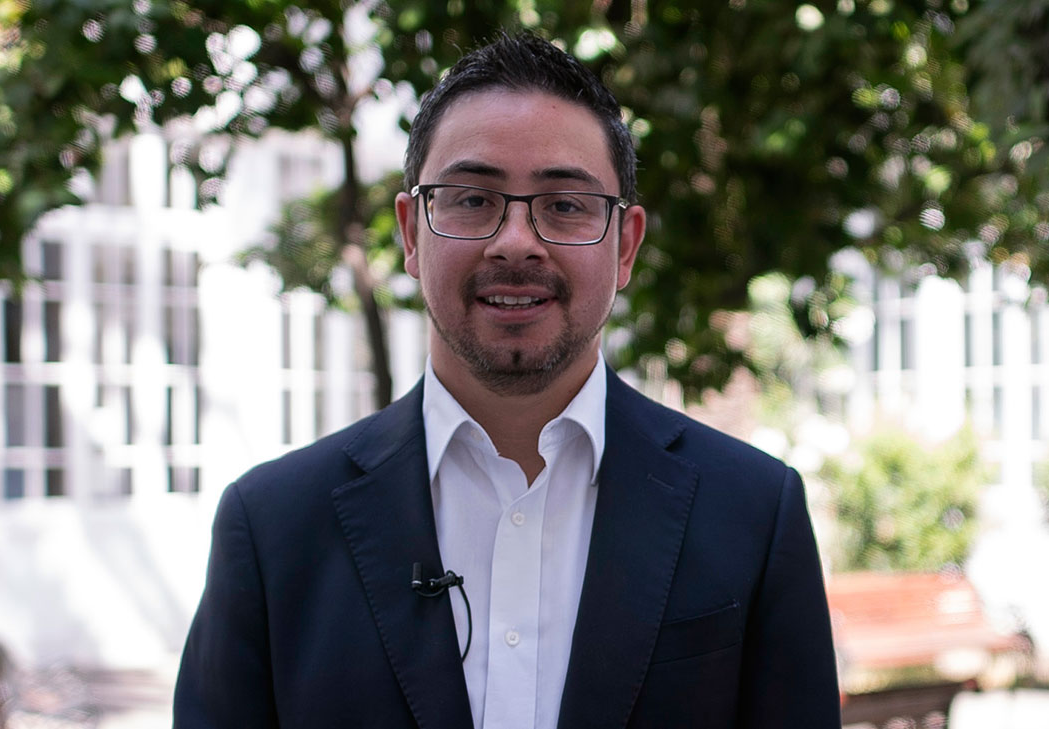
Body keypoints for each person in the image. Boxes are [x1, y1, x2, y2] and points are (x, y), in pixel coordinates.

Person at [173, 32, 841, 729]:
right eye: (471, 199)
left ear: (625, 245)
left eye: (565, 205)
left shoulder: (753, 514)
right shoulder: (273, 528)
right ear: (411, 232)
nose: (516, 241)